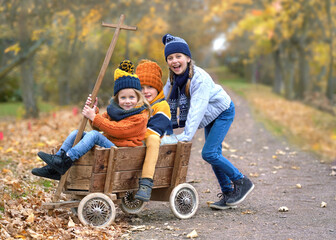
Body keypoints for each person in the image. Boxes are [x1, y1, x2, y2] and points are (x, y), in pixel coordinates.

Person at [162, 34, 254, 209]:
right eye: (170, 57)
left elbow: (196, 110)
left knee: (209, 153)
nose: (174, 61)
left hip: (223, 111)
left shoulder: (199, 79)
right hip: (210, 114)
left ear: (188, 58)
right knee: (214, 154)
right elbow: (162, 99)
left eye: (178, 56)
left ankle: (242, 181)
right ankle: (228, 192)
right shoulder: (173, 78)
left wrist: (185, 136)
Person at [32, 60, 151, 179]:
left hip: (124, 153)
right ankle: (55, 165)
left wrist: (94, 117)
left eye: (131, 97)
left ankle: (67, 159)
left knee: (94, 135)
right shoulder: (116, 111)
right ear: (117, 99)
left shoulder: (140, 117)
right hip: (112, 147)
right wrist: (94, 112)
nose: (127, 101)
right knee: (76, 133)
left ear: (138, 97)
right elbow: (97, 125)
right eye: (123, 97)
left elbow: (119, 130)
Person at [133, 59, 175, 201]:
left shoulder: (161, 106)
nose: (145, 91)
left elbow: (154, 131)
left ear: (157, 88)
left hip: (164, 141)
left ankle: (146, 183)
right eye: (141, 87)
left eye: (150, 87)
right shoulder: (135, 106)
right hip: (141, 139)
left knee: (152, 139)